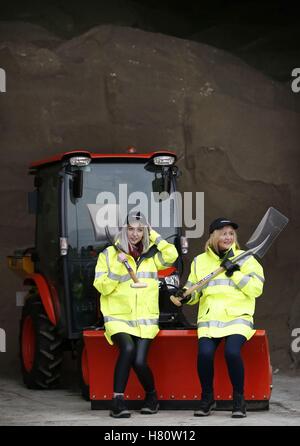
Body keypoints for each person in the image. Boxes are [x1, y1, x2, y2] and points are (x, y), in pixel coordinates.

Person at [175, 217, 264, 418]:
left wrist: (236, 273)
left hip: (237, 318)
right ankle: (207, 398)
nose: (228, 237)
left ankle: (239, 400)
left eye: (231, 233)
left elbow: (256, 289)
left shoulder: (246, 258)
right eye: (223, 233)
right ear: (214, 236)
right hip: (210, 320)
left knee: (232, 352)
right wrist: (185, 295)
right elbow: (195, 292)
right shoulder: (200, 261)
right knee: (204, 355)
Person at [93, 211, 178, 418]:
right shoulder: (108, 255)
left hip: (146, 319)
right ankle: (118, 401)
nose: (135, 234)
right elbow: (100, 286)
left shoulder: (151, 256)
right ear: (123, 230)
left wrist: (154, 235)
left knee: (139, 361)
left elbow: (171, 255)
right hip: (118, 317)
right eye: (130, 229)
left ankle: (151, 396)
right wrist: (122, 269)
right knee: (128, 348)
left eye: (140, 229)